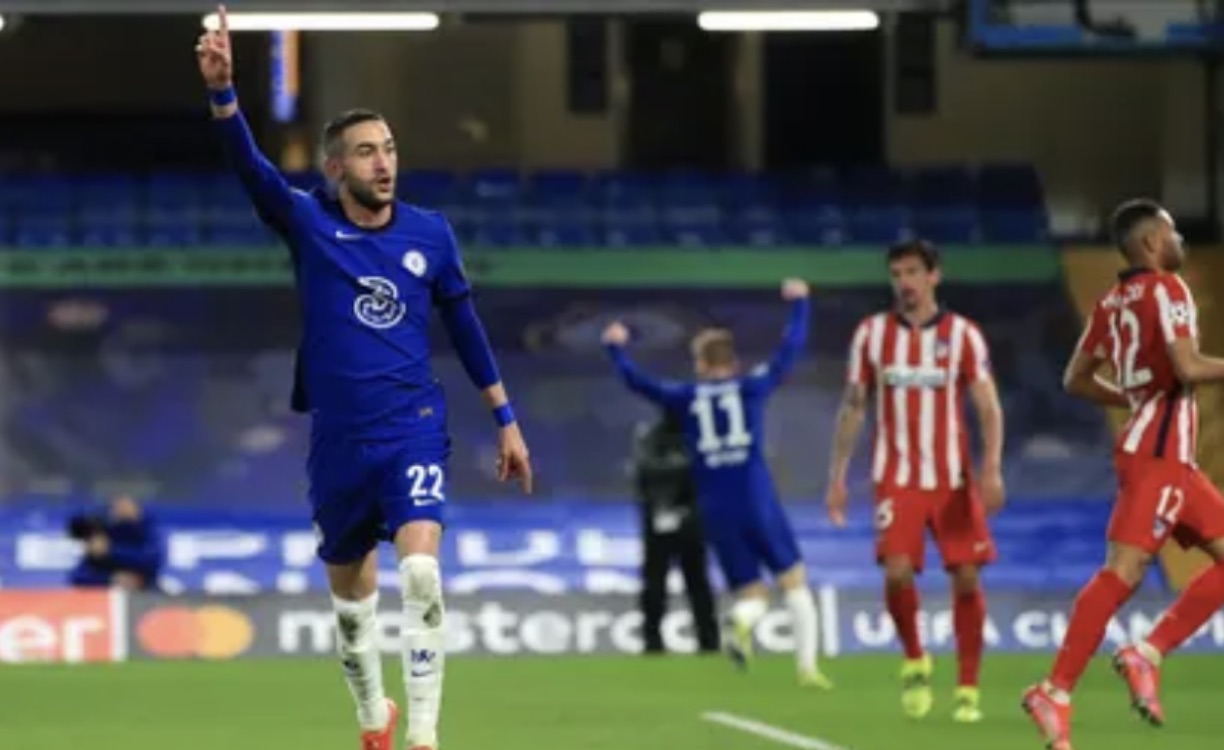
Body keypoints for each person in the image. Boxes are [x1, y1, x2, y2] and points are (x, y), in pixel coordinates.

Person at [196, 8, 533, 750]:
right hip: (339, 443)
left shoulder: (431, 233)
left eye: (389, 149)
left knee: (421, 576)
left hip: (413, 426)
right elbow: (252, 172)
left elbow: (466, 328)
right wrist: (223, 94)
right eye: (366, 152)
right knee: (352, 610)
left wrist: (505, 419)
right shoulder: (310, 224)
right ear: (335, 168)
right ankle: (374, 717)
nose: (384, 163)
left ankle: (425, 735)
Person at [1021, 199, 1224, 750]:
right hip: (1158, 455)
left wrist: (1134, 398)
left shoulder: (1110, 302)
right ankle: (1054, 690)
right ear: (1150, 244)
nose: (1179, 239)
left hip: (1170, 457)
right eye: (1171, 232)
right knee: (1124, 571)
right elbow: (1187, 366)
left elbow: (1076, 379)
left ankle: (1145, 653)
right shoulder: (1169, 289)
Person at [601, 279, 831, 689]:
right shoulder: (752, 387)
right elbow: (789, 350)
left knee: (752, 592)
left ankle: (740, 621)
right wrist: (801, 305)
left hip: (715, 508)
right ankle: (807, 669)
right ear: (733, 362)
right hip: (756, 498)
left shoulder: (685, 397)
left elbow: (639, 383)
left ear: (700, 364)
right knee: (793, 579)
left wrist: (616, 349)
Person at [824, 239, 1006, 723]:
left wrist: (991, 468)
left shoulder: (963, 335)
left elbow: (988, 406)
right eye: (896, 274)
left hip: (952, 480)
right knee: (897, 571)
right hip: (897, 477)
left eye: (912, 272)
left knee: (966, 576)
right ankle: (915, 660)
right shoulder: (872, 335)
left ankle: (967, 687)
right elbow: (854, 406)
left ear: (933, 276)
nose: (904, 282)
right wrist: (838, 475)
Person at [631, 409, 720, 654]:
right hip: (659, 523)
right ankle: (652, 643)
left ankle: (708, 642)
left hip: (689, 523)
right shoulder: (651, 438)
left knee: (697, 584)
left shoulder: (696, 439)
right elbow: (644, 474)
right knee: (656, 586)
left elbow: (707, 478)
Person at [68, 494, 163, 591]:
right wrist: (111, 579)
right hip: (109, 593)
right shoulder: (106, 531)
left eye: (126, 504)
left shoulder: (148, 529)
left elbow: (152, 560)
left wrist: (110, 550)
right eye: (117, 504)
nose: (122, 509)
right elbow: (78, 576)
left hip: (144, 592)